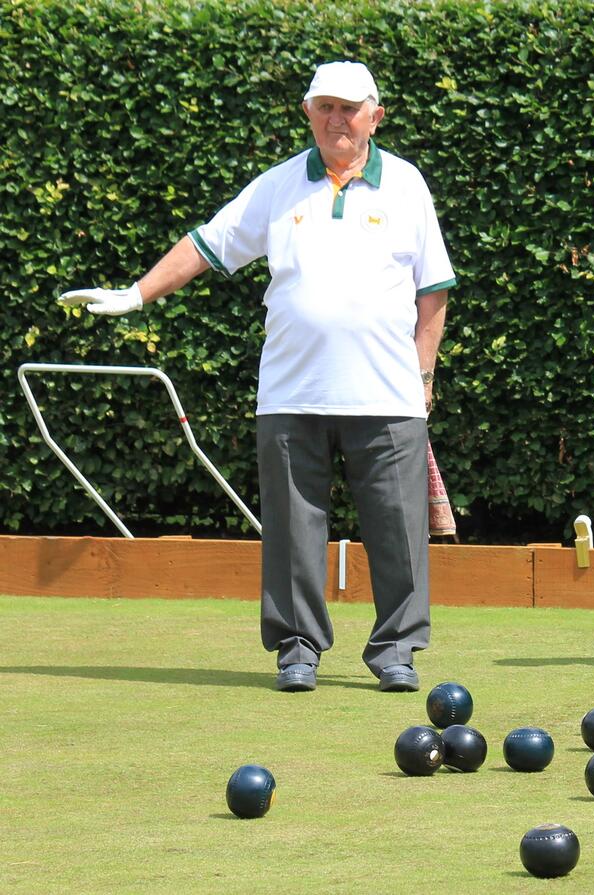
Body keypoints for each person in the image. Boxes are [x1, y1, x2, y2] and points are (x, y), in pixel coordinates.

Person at [59, 61, 456, 694]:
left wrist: (423, 377)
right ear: (308, 113)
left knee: (398, 531)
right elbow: (206, 244)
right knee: (293, 532)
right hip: (290, 394)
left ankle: (396, 652)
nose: (336, 118)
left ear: (375, 116)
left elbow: (432, 292)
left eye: (349, 108)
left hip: (388, 395)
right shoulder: (276, 186)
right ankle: (297, 650)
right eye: (324, 106)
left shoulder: (407, 185)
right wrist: (136, 296)